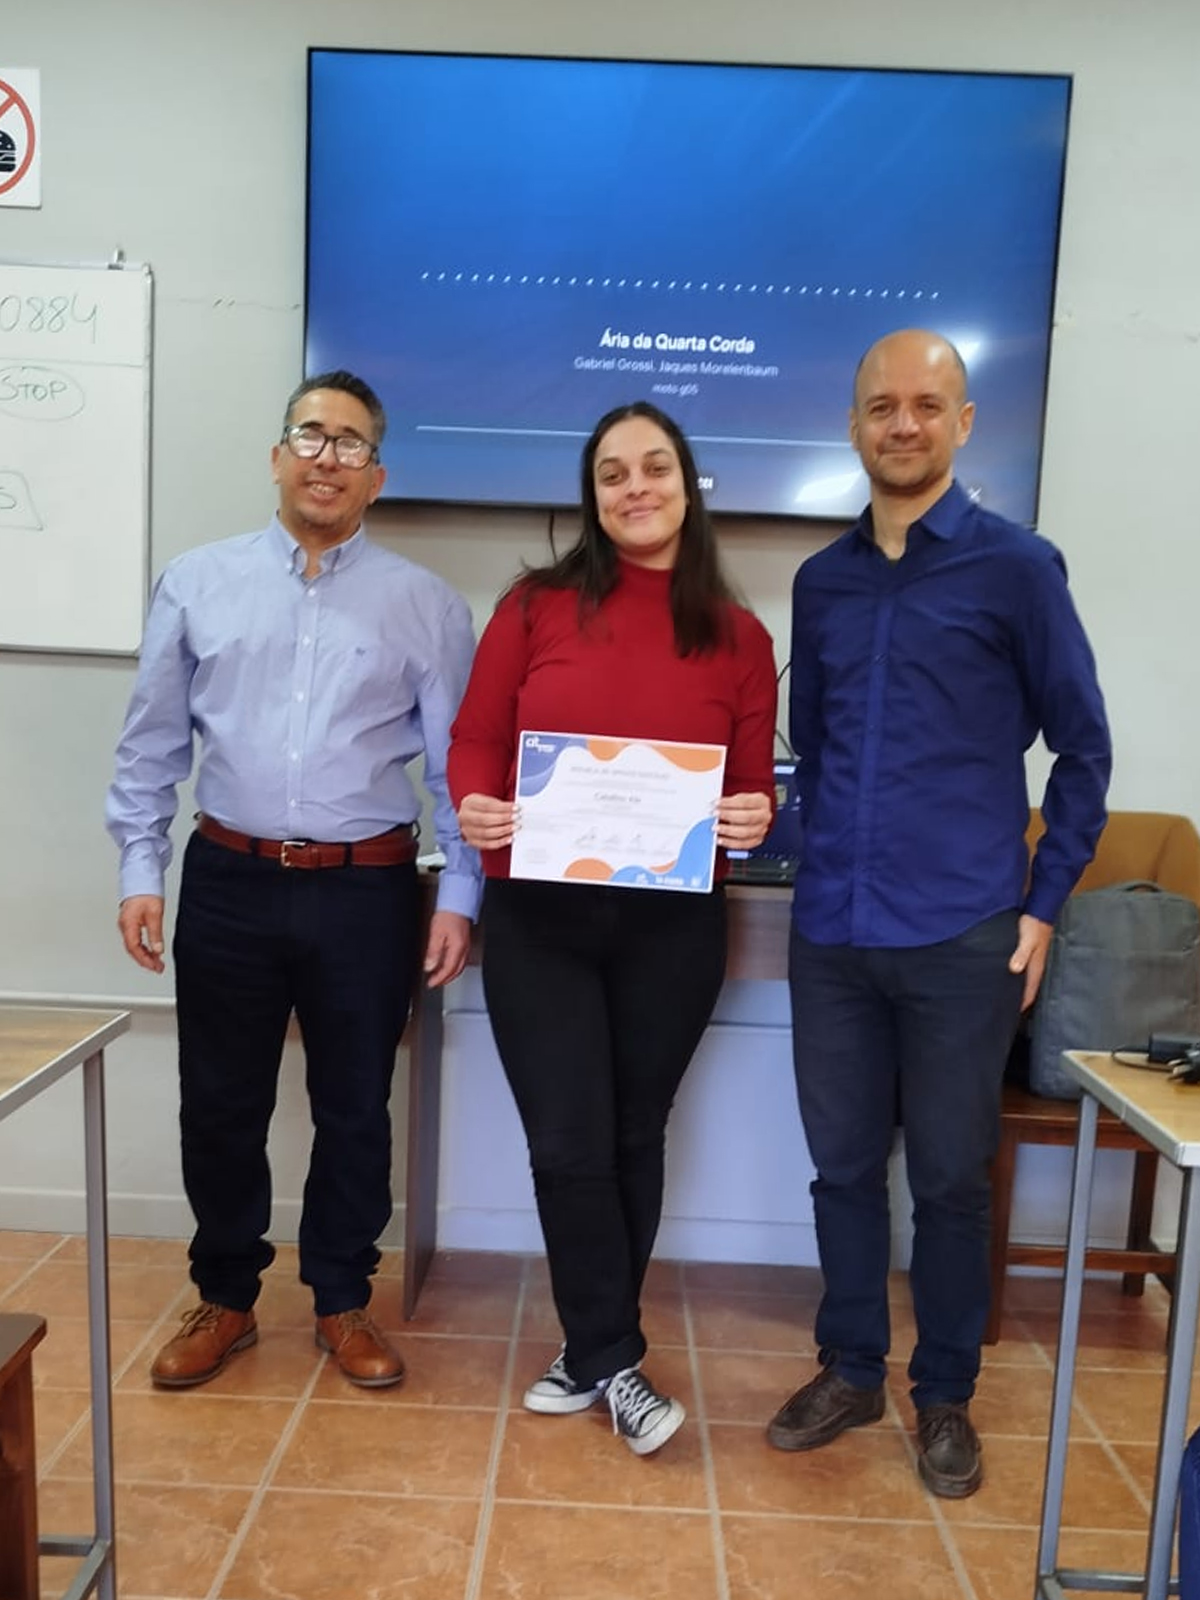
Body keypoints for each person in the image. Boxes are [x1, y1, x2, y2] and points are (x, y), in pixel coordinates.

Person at [768, 330, 1112, 1496]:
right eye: (882, 406)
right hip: (834, 928)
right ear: (854, 425)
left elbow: (1084, 749)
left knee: (954, 1180)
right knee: (841, 1168)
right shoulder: (822, 582)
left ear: (964, 423)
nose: (902, 423)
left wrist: (1044, 903)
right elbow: (816, 745)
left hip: (967, 932)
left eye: (927, 404)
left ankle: (946, 1394)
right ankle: (851, 1368)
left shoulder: (1019, 569)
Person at [106, 370, 481, 1390]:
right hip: (228, 878)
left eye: (351, 443)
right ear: (278, 456)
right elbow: (150, 744)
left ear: (377, 476)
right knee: (219, 1102)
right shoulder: (197, 582)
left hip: (366, 890)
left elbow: (458, 768)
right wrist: (141, 869)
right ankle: (226, 1295)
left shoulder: (427, 605)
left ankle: (342, 1299)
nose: (327, 457)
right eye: (311, 435)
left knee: (355, 1104)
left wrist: (459, 895)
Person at [448, 401, 777, 1455]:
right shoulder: (534, 606)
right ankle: (616, 1358)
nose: (636, 488)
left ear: (688, 484)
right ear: (592, 498)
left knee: (634, 1134)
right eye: (613, 474)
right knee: (567, 1138)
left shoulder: (741, 637)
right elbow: (475, 741)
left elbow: (754, 786)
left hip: (671, 927)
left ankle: (592, 1349)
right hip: (540, 915)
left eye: (655, 468)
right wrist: (474, 804)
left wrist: (753, 814)